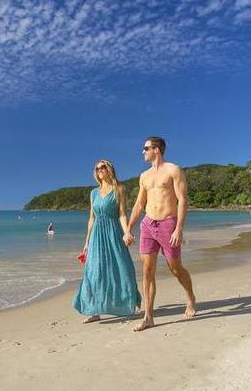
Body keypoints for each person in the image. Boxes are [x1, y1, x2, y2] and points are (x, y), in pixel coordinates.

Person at [124, 137, 196, 331]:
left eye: (146, 148)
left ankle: (190, 297)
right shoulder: (144, 176)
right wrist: (129, 228)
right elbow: (139, 204)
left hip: (168, 224)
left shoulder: (173, 170)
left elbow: (182, 200)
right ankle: (148, 317)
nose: (143, 151)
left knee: (175, 268)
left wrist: (179, 228)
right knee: (147, 270)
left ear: (157, 150)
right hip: (148, 224)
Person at [73, 160, 141, 323]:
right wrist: (86, 242)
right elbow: (91, 218)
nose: (99, 170)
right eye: (97, 168)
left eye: (102, 167)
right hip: (97, 235)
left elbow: (122, 214)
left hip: (113, 232)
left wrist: (127, 232)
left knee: (122, 267)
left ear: (109, 169)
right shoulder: (93, 193)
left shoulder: (119, 189)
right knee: (94, 271)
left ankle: (128, 303)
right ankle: (94, 310)